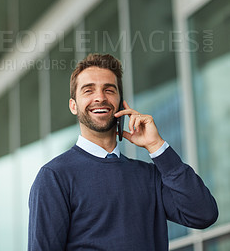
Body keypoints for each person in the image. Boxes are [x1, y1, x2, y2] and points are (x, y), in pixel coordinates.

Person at [28, 53, 218, 251]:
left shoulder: (149, 175)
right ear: (73, 106)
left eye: (109, 90)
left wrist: (157, 146)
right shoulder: (54, 176)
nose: (100, 97)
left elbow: (204, 214)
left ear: (121, 103)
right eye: (88, 90)